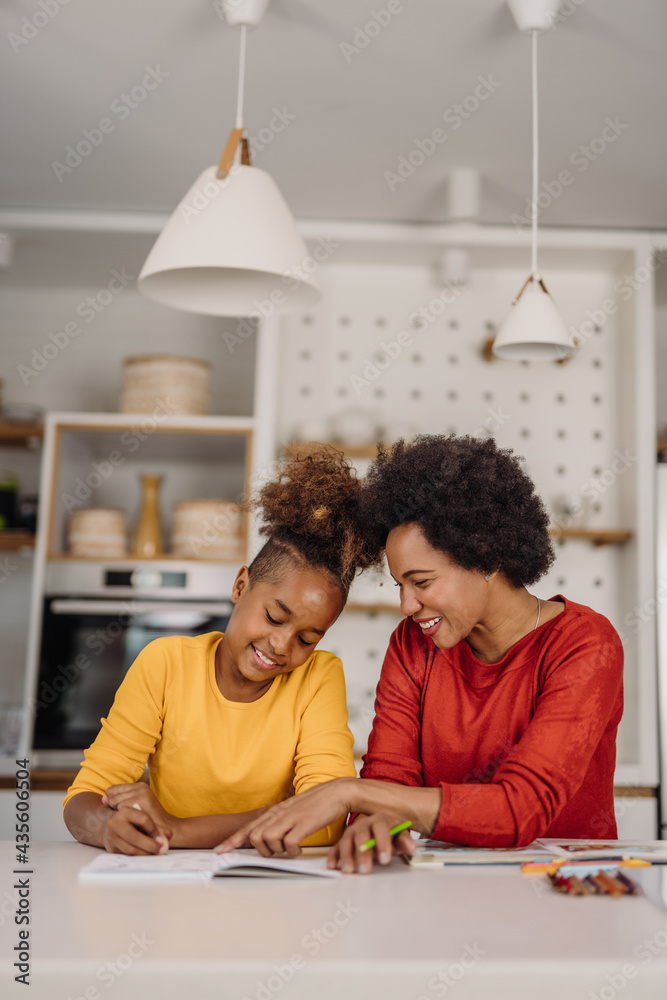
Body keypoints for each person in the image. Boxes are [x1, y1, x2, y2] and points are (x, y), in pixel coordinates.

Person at [216, 435, 624, 873]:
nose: (407, 606)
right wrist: (376, 823)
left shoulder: (585, 644)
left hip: (572, 894)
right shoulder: (414, 644)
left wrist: (351, 794)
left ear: (486, 559)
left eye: (422, 583)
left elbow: (520, 809)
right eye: (400, 585)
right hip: (446, 892)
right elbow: (390, 778)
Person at [63, 447, 380, 855]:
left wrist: (179, 831)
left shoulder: (318, 677)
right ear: (240, 586)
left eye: (307, 638)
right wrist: (109, 829)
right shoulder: (166, 664)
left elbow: (328, 819)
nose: (282, 646)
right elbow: (83, 797)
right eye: (273, 617)